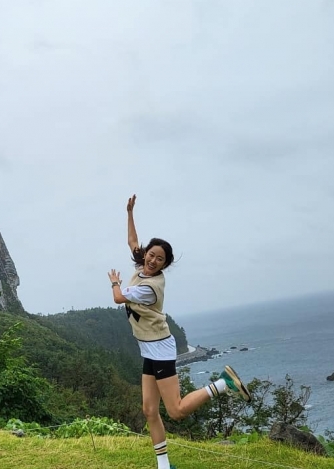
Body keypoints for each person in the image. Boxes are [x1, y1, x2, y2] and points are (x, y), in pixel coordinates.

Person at [108, 194, 251, 469]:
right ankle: (164, 466)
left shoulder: (150, 288)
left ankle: (223, 384)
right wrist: (129, 213)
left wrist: (115, 282)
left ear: (165, 264)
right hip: (148, 348)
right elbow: (132, 242)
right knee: (149, 410)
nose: (152, 260)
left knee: (176, 410)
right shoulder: (143, 265)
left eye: (159, 259)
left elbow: (118, 297)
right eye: (150, 254)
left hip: (159, 347)